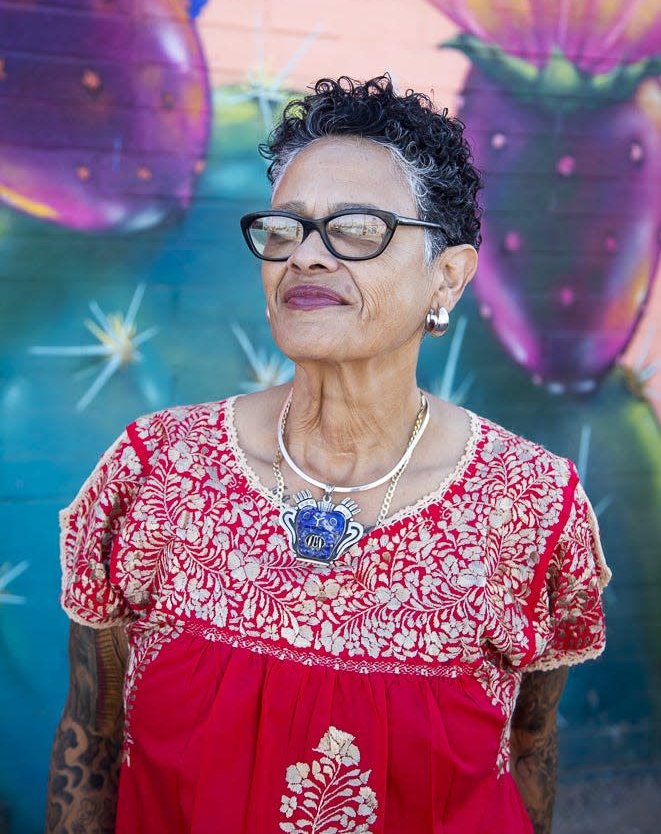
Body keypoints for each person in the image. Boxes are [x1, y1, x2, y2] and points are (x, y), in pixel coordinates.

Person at [46, 75, 610, 834]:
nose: (305, 257)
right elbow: (93, 733)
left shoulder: (530, 504)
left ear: (447, 275)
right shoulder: (157, 472)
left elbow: (529, 747)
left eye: (356, 228)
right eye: (286, 229)